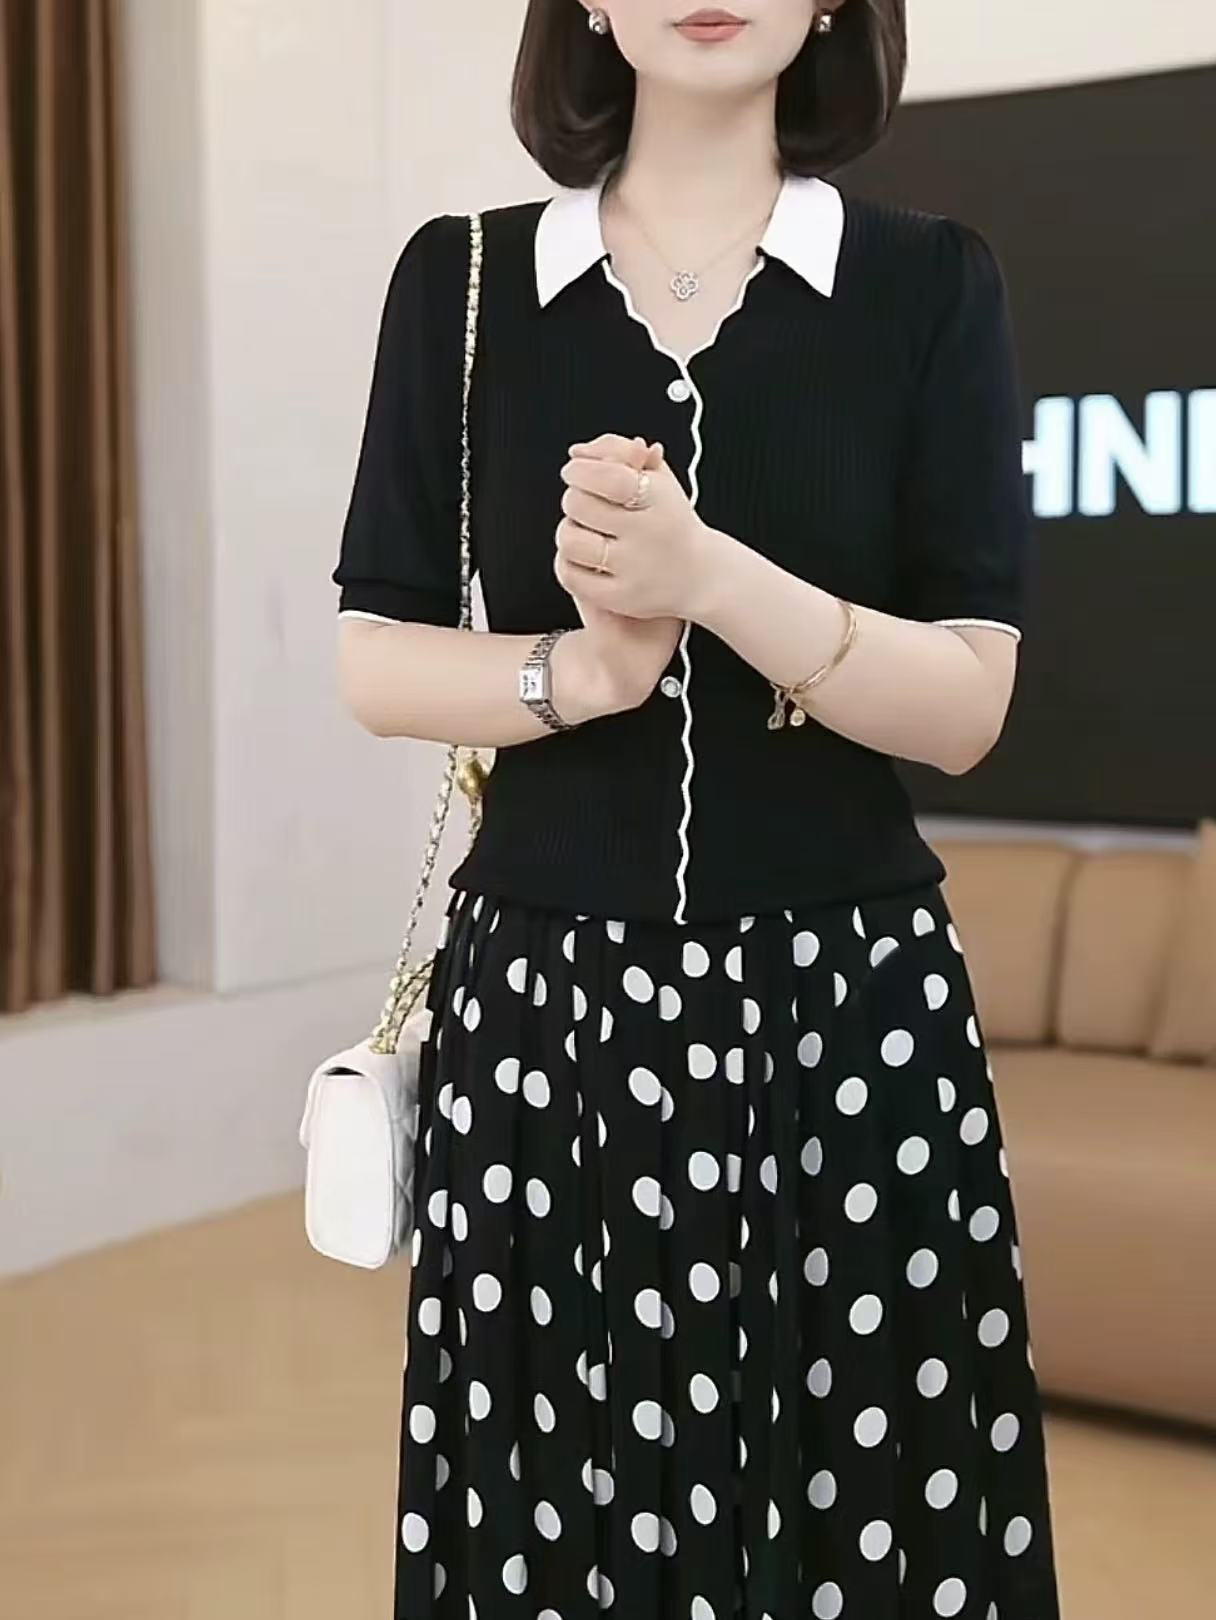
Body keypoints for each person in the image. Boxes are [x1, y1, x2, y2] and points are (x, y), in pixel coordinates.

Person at [331, 2, 1063, 1616]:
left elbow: (969, 704)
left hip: (849, 1018)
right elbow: (378, 659)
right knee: (552, 1520)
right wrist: (588, 674)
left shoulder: (929, 283)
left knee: (860, 1517)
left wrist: (711, 577)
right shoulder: (464, 281)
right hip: (544, 1025)